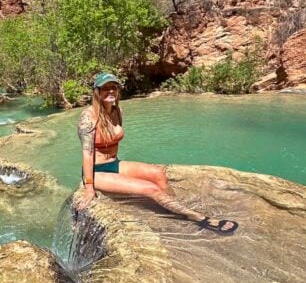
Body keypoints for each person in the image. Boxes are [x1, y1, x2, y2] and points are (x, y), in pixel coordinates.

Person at [76, 72, 238, 234]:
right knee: (150, 188)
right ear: (97, 92)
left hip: (114, 163)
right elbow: (87, 153)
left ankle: (174, 207)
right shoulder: (88, 118)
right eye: (105, 88)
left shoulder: (117, 111)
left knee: (158, 173)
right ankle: (199, 218)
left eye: (114, 87)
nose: (111, 91)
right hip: (97, 172)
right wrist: (89, 187)